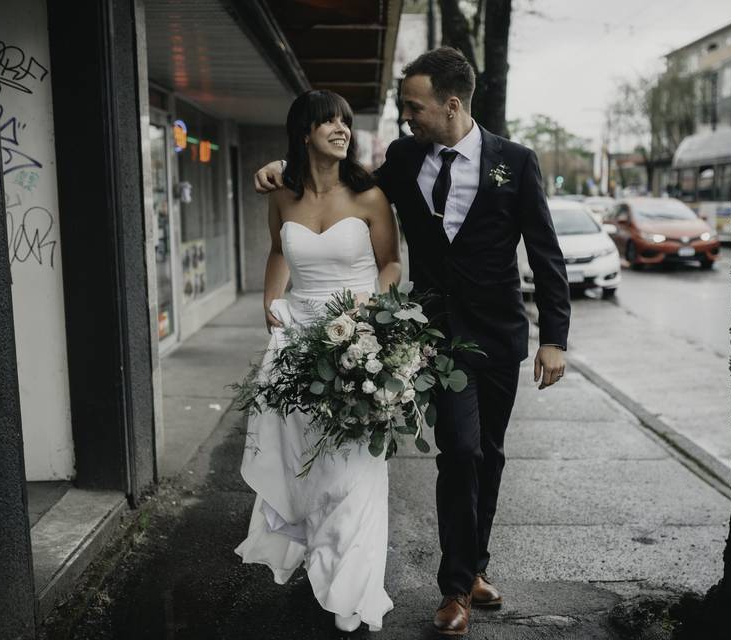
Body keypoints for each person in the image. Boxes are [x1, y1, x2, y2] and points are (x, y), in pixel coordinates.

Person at [254, 47, 571, 636]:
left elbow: (545, 254)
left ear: (451, 106)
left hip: (499, 334)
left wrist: (556, 337)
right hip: (438, 337)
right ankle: (455, 590)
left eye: (413, 106)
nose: (406, 117)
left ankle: (474, 565)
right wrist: (281, 166)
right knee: (461, 449)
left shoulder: (516, 163)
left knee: (490, 453)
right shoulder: (403, 158)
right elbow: (341, 187)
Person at [234, 89, 402, 633]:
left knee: (353, 468)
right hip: (297, 343)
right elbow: (281, 251)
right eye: (327, 121)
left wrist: (369, 312)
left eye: (345, 122)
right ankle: (320, 558)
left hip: (356, 343)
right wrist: (269, 300)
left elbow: (391, 263)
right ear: (304, 132)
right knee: (306, 466)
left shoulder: (370, 195)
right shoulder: (282, 194)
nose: (340, 128)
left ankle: (352, 586)